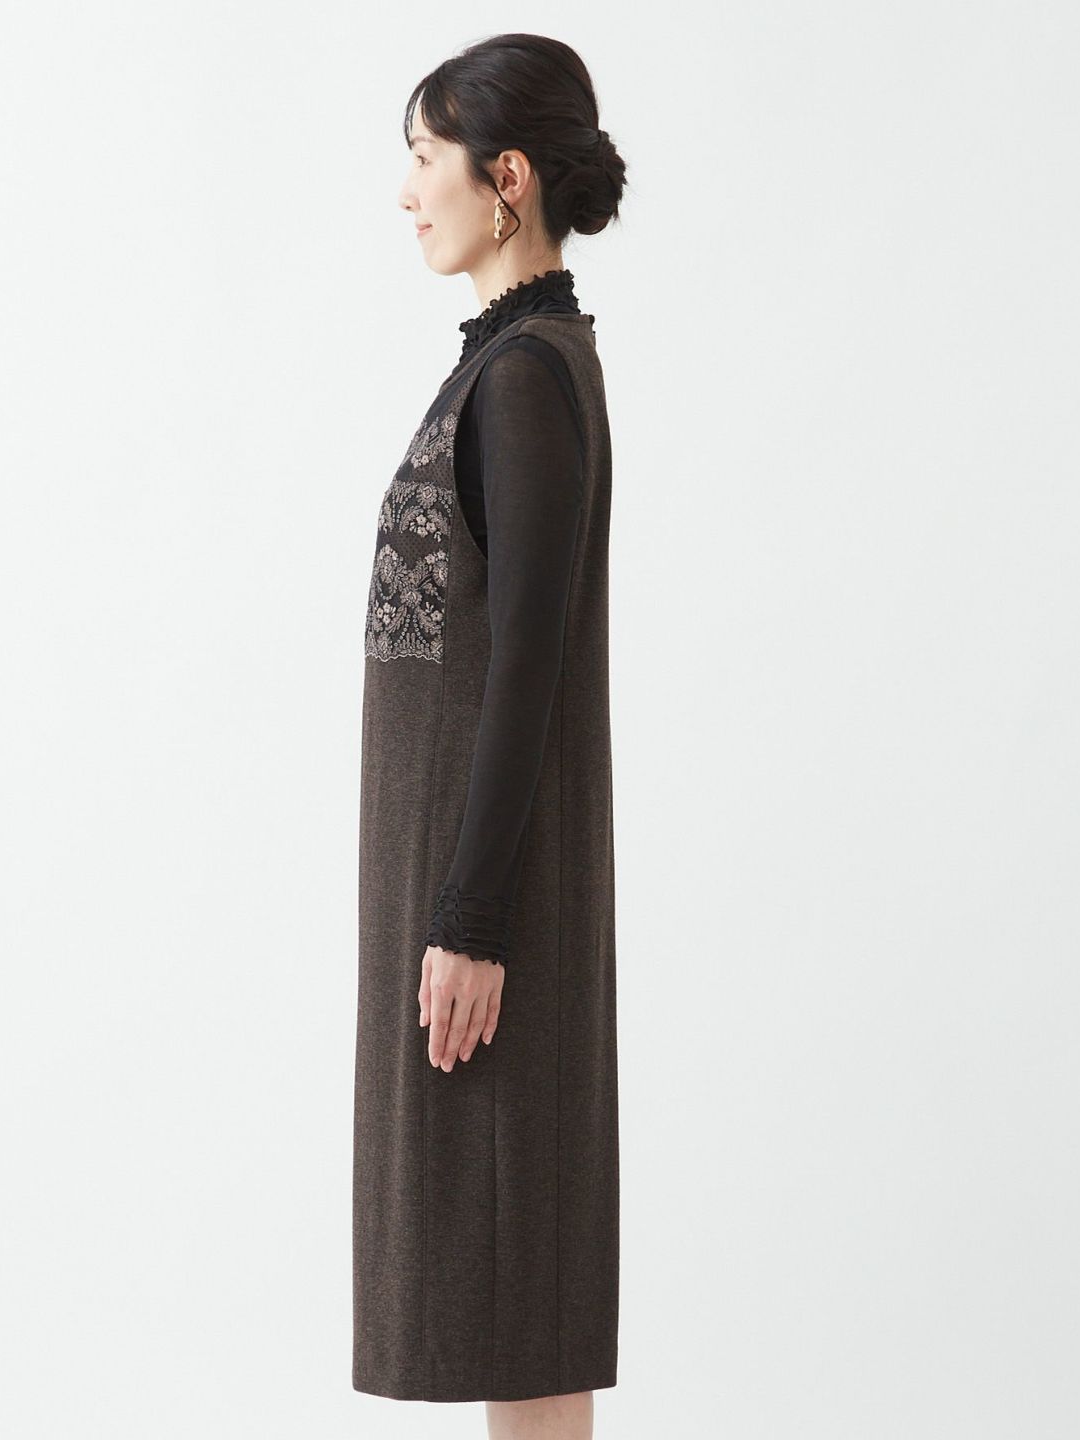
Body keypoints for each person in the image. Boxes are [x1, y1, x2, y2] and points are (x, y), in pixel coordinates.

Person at [353, 33, 626, 1439]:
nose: (408, 192)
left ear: (505, 177)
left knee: (521, 1298)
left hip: (490, 918)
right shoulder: (514, 365)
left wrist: (469, 920)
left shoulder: (525, 378)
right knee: (508, 1310)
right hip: (471, 905)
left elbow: (529, 663)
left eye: (425, 157)